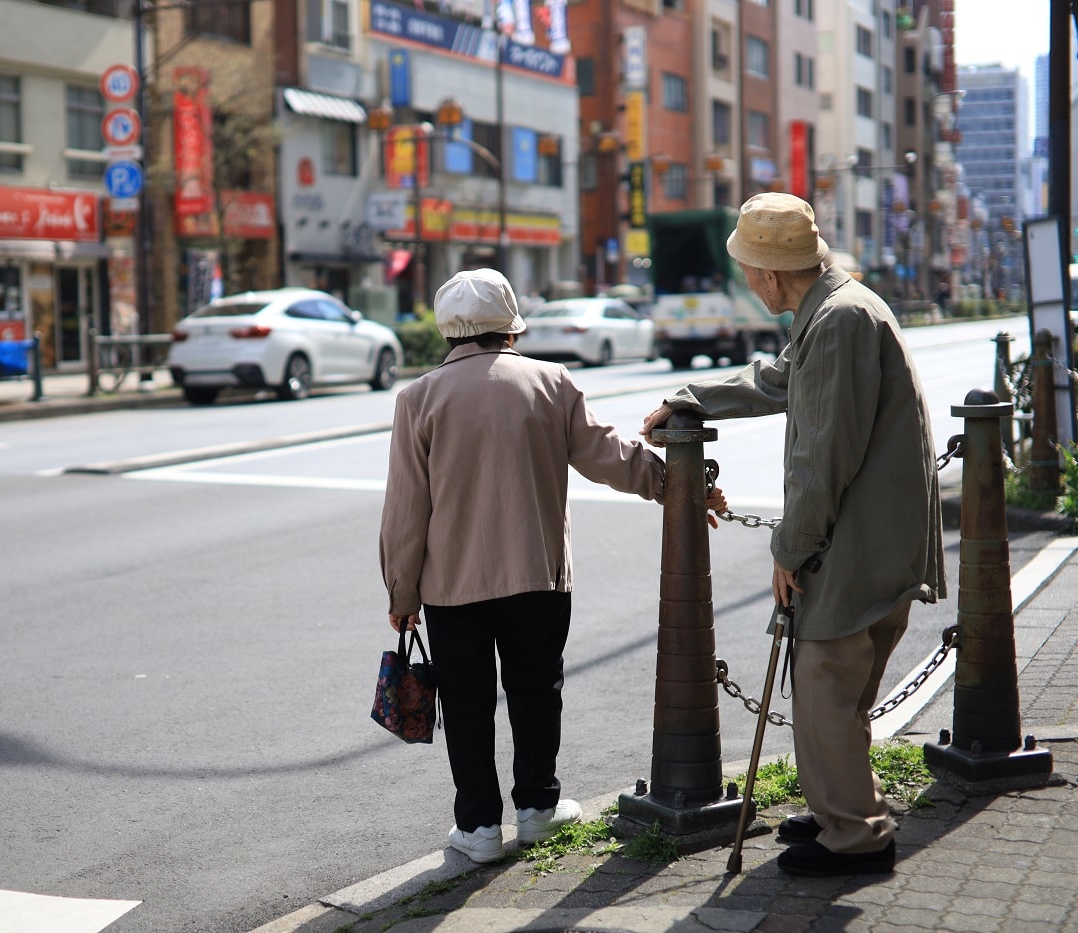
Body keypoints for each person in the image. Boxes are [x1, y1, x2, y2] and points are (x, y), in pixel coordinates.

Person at [640, 192, 946, 878]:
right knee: (838, 684)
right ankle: (841, 807)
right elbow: (782, 380)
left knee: (823, 677)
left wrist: (790, 548)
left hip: (861, 535)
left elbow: (822, 458)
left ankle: (857, 836)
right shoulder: (838, 308)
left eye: (749, 270)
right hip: (877, 528)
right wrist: (696, 396)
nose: (747, 283)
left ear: (773, 274)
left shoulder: (836, 322)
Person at [380, 268, 726, 865]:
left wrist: (401, 592)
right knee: (537, 691)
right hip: (537, 573)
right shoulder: (549, 382)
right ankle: (538, 809)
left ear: (447, 331)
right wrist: (675, 482)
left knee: (466, 704)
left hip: (450, 585)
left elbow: (406, 510)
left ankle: (479, 828)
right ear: (510, 324)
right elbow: (607, 455)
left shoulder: (418, 399)